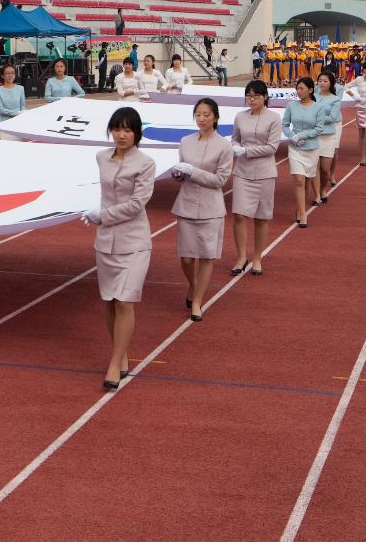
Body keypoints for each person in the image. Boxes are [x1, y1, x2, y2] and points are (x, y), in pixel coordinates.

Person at [81, 106, 155, 389]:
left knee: (125, 301)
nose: (121, 135)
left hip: (134, 241)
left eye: (128, 130)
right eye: (117, 129)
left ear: (137, 133)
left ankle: (114, 362)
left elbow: (137, 205)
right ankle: (120, 354)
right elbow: (102, 193)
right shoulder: (101, 157)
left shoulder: (146, 163)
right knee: (110, 301)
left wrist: (104, 215)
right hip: (105, 242)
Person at [170, 98, 233, 321]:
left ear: (215, 117)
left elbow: (221, 180)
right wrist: (178, 173)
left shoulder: (224, 146)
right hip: (186, 204)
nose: (202, 119)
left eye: (206, 114)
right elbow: (181, 172)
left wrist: (193, 171)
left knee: (207, 256)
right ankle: (195, 285)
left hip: (211, 208)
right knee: (187, 258)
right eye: (198, 114)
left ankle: (197, 301)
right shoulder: (186, 141)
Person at [229, 80, 281, 276]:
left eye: (256, 96)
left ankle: (257, 257)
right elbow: (235, 138)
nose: (252, 99)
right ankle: (241, 256)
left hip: (265, 172)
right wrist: (235, 147)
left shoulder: (274, 118)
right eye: (249, 96)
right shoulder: (240, 117)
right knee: (239, 214)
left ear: (265, 97)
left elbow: (272, 147)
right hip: (242, 171)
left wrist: (246, 150)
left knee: (261, 217)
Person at [282, 77, 326, 228]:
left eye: (302, 89)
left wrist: (302, 135)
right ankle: (303, 214)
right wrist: (292, 136)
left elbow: (319, 129)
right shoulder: (291, 105)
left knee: (307, 181)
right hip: (295, 148)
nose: (298, 92)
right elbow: (285, 125)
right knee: (299, 180)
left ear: (310, 90)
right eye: (297, 89)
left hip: (311, 148)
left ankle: (300, 209)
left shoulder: (318, 108)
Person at [314, 70, 344, 203]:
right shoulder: (313, 94)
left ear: (331, 83)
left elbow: (332, 117)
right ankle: (316, 194)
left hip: (327, 135)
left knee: (325, 169)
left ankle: (322, 187)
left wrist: (314, 117)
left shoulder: (335, 99)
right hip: (313, 135)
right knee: (314, 167)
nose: (322, 83)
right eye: (320, 81)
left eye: (325, 81)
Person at [345, 60, 366, 167]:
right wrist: (355, 96)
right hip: (361, 110)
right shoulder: (359, 79)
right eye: (364, 68)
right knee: (361, 135)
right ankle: (362, 157)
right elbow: (346, 87)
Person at [0, 63, 26, 140]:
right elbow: (1, 110)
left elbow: (23, 105)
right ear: (2, 75)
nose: (10, 75)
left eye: (12, 73)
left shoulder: (21, 88)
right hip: (4, 124)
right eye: (7, 73)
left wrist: (23, 112)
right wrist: (17, 113)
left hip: (19, 123)